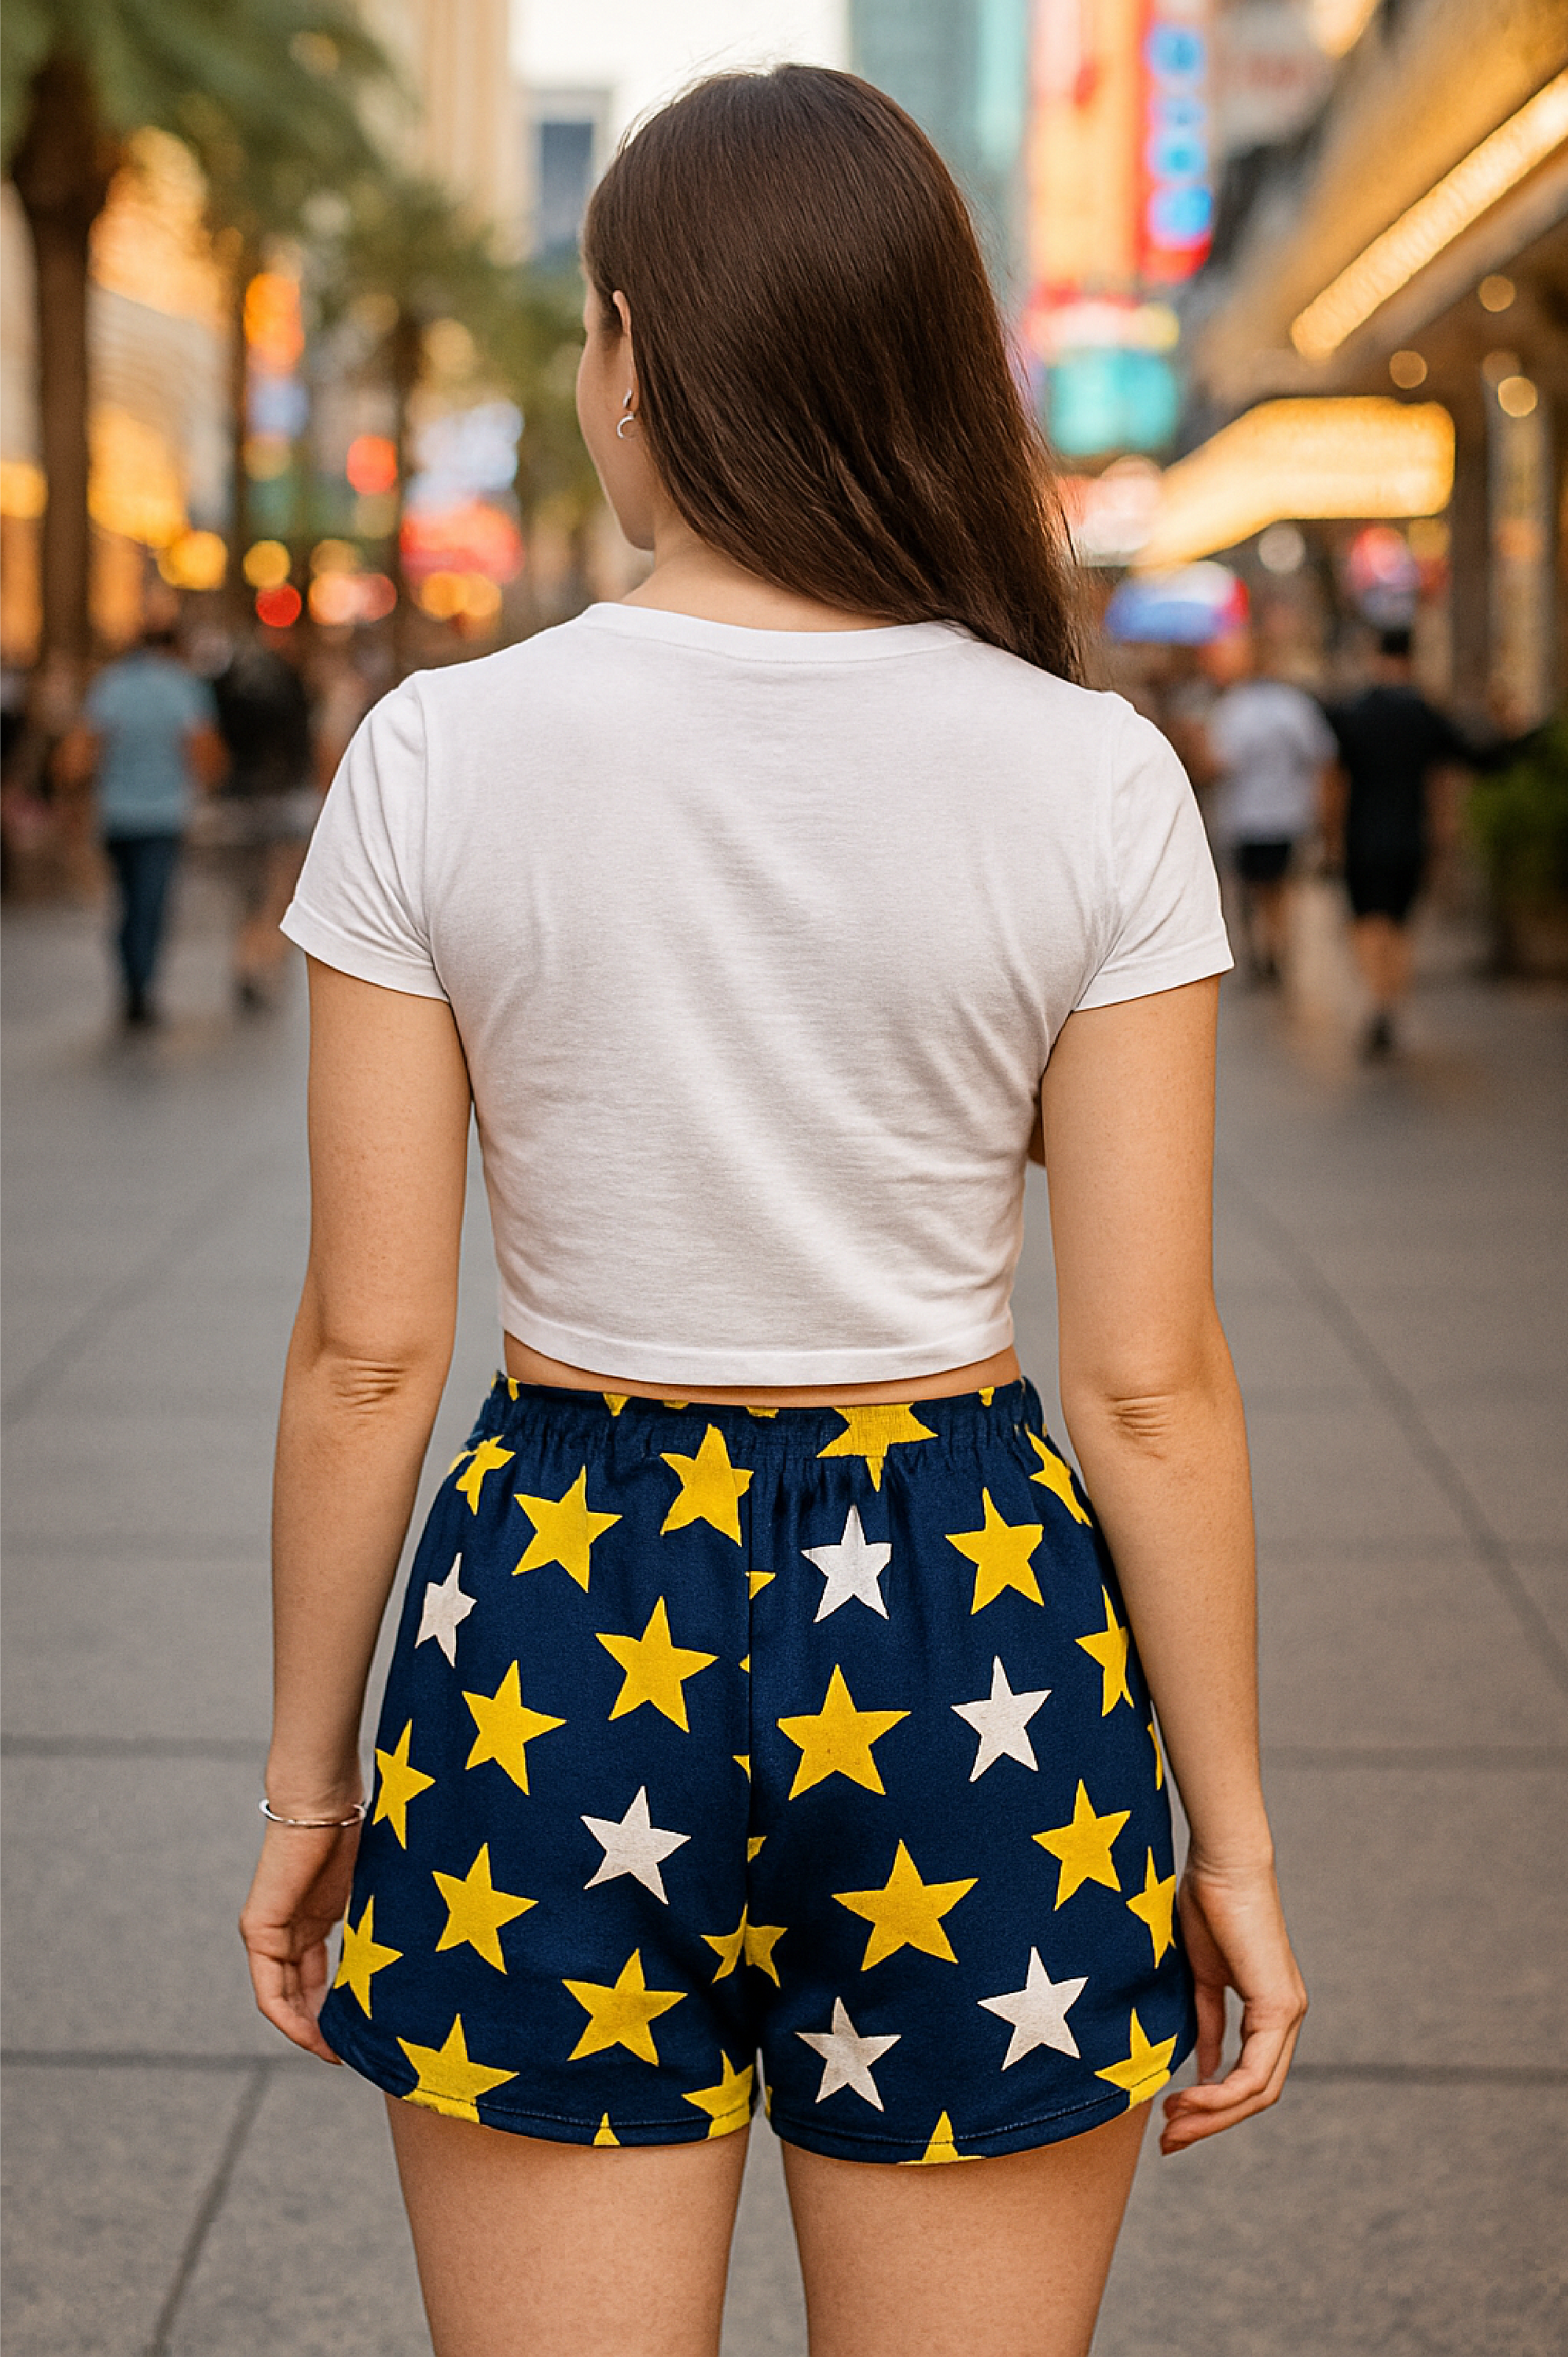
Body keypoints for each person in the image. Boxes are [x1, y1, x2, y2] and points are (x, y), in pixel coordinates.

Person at [241, 68, 1304, 2357]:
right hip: (971, 1623)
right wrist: (1228, 1839)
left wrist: (310, 1779)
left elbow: (367, 1356)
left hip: (553, 1606)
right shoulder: (1090, 774)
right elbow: (1145, 1377)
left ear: (627, 352)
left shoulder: (438, 756)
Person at [1325, 625, 1491, 1059]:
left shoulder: (1353, 713)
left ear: (1376, 656)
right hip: (1409, 834)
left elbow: (1334, 781)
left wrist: (1329, 837)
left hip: (1362, 834)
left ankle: (1376, 999)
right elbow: (1458, 769)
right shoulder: (1425, 714)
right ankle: (1389, 1003)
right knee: (1399, 924)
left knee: (1367, 921)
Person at [61, 616, 224, 1028]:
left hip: (116, 814)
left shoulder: (112, 685)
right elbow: (204, 753)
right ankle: (140, 983)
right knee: (151, 902)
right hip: (163, 815)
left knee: (128, 898)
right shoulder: (183, 687)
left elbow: (79, 753)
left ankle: (132, 975)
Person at [1201, 629, 1338, 986]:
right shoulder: (1295, 706)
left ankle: (1265, 947)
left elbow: (1217, 763)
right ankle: (1275, 944)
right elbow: (1322, 757)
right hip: (1287, 815)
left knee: (1255, 888)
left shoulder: (1234, 709)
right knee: (1279, 887)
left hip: (1246, 817)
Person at [211, 628, 319, 1009]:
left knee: (246, 893)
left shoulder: (228, 689)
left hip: (239, 801)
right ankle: (262, 960)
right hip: (285, 800)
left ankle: (247, 957)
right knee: (277, 894)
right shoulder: (294, 685)